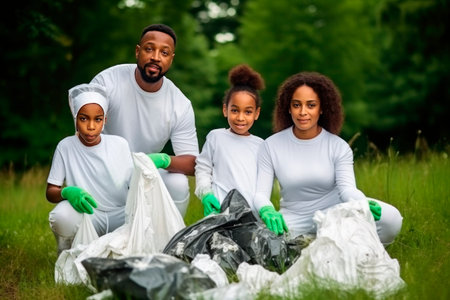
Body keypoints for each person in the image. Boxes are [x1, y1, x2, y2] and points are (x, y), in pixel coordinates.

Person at [253, 71, 403, 246]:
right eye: (296, 105)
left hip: (335, 215)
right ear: (288, 107)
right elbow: (260, 194)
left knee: (390, 218)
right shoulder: (270, 146)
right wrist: (267, 210)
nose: (303, 112)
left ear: (322, 108)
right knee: (259, 240)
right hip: (293, 220)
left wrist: (361, 202)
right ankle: (327, 244)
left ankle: (330, 242)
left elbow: (347, 190)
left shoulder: (338, 146)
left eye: (311, 105)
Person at [90, 24, 198, 217]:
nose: (156, 57)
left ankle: (168, 243)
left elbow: (191, 163)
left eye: (164, 53)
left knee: (178, 183)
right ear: (138, 51)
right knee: (63, 219)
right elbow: (83, 130)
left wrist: (163, 160)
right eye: (149, 49)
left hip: (143, 176)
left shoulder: (179, 104)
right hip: (100, 173)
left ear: (171, 59)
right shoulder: (107, 82)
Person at [46, 83, 134, 254]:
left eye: (98, 119)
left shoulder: (119, 144)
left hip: (120, 214)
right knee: (61, 217)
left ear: (105, 120)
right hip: (88, 214)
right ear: (75, 119)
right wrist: (66, 192)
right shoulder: (66, 146)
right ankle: (67, 250)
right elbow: (50, 191)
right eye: (84, 119)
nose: (91, 126)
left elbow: (131, 181)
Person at [195, 64, 265, 216]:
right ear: (225, 109)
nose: (240, 118)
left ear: (256, 113)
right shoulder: (216, 137)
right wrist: (205, 194)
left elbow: (263, 185)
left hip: (251, 217)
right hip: (220, 213)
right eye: (234, 110)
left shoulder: (261, 145)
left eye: (247, 112)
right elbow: (203, 169)